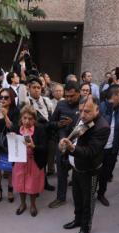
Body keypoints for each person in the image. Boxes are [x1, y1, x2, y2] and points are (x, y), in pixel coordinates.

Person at [59, 95, 110, 233]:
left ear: (97, 109)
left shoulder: (103, 127)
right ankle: (77, 220)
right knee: (77, 197)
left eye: (87, 111)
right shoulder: (82, 118)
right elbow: (71, 132)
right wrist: (64, 140)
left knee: (88, 201)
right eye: (80, 110)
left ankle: (85, 227)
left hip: (90, 170)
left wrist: (72, 148)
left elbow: (90, 152)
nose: (82, 115)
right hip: (77, 167)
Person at [48, 81, 81, 209]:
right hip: (61, 145)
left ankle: (79, 200)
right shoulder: (61, 104)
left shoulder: (84, 105)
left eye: (71, 96)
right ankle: (60, 198)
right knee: (61, 173)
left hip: (78, 146)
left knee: (78, 173)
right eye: (66, 95)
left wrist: (73, 124)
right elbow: (51, 123)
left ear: (78, 93)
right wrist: (58, 125)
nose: (68, 98)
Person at [12, 106, 46, 217]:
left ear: (34, 120)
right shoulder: (17, 129)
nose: (27, 121)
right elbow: (10, 146)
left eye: (30, 119)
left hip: (34, 162)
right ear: (21, 118)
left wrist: (34, 146)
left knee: (33, 185)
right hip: (20, 162)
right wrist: (12, 138)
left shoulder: (40, 129)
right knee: (20, 184)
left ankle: (32, 205)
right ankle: (22, 204)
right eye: (25, 118)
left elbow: (45, 148)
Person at [97, 86, 119, 206]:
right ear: (114, 95)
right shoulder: (101, 107)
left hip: (112, 149)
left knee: (106, 174)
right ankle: (90, 193)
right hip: (98, 148)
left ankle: (101, 194)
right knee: (95, 173)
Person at [0, 88, 19, 203]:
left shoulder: (15, 111)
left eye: (6, 97)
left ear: (11, 99)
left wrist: (6, 116)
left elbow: (14, 128)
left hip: (9, 143)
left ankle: (10, 190)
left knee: (9, 168)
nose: (2, 99)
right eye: (1, 97)